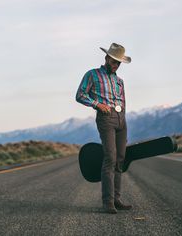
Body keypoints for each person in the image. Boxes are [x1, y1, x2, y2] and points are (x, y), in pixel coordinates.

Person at [76, 43, 132, 214]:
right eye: (114, 61)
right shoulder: (92, 75)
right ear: (107, 58)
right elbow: (80, 95)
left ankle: (117, 199)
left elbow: (122, 102)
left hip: (121, 120)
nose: (115, 65)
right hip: (105, 119)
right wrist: (97, 104)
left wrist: (122, 120)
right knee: (110, 157)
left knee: (120, 159)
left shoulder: (119, 81)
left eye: (118, 63)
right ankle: (107, 202)